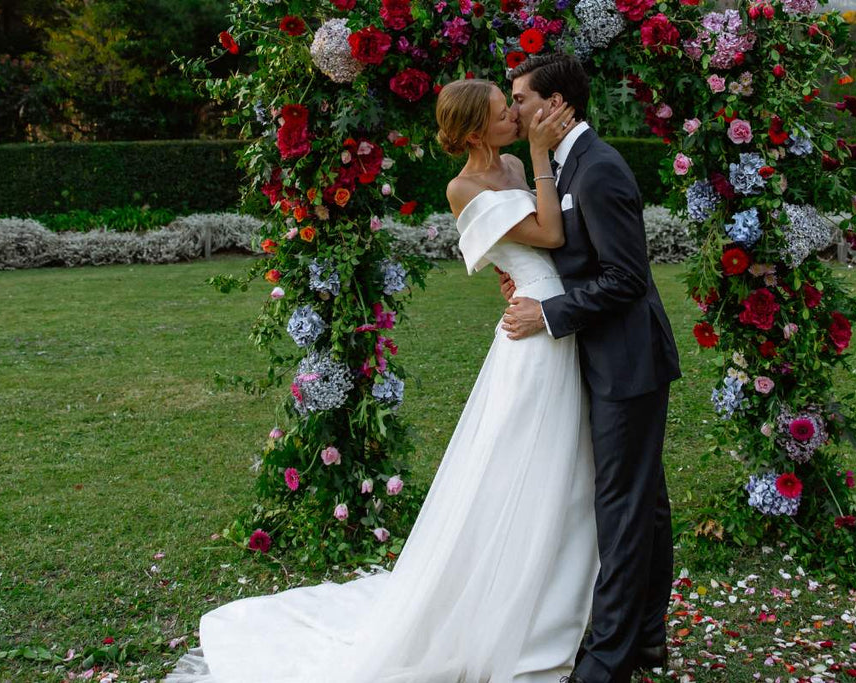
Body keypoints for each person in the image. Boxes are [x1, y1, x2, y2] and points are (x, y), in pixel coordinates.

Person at [166, 78, 601, 683]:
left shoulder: (509, 163)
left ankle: (555, 590)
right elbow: (548, 234)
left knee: (561, 457)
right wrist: (537, 164)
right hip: (533, 332)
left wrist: (528, 185)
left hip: (552, 311)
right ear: (476, 130)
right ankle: (516, 602)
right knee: (526, 453)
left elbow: (544, 241)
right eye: (506, 114)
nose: (517, 117)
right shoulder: (464, 185)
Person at [499, 54, 681, 683]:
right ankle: (649, 637)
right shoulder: (566, 163)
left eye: (520, 98)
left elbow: (626, 280)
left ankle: (607, 661)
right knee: (644, 504)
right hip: (607, 356)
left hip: (628, 361)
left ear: (555, 104)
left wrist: (548, 314)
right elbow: (577, 255)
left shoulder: (599, 169)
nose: (513, 109)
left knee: (622, 509)